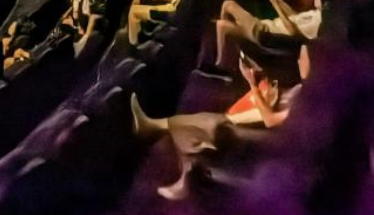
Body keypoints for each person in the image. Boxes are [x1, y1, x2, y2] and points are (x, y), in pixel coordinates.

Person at [132, 45, 310, 200]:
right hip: (263, 119)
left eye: (305, 57)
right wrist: (261, 80)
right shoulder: (305, 87)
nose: (301, 59)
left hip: (274, 138)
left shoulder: (313, 99)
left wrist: (253, 84)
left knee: (211, 124)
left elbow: (272, 120)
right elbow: (278, 102)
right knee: (207, 120)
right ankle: (157, 131)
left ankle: (163, 140)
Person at [205, 0, 322, 76]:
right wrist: (280, 2)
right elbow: (294, 16)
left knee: (228, 4)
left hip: (266, 33)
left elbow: (293, 32)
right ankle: (223, 64)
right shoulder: (316, 13)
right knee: (222, 26)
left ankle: (232, 54)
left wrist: (275, 5)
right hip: (266, 26)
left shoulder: (319, 25)